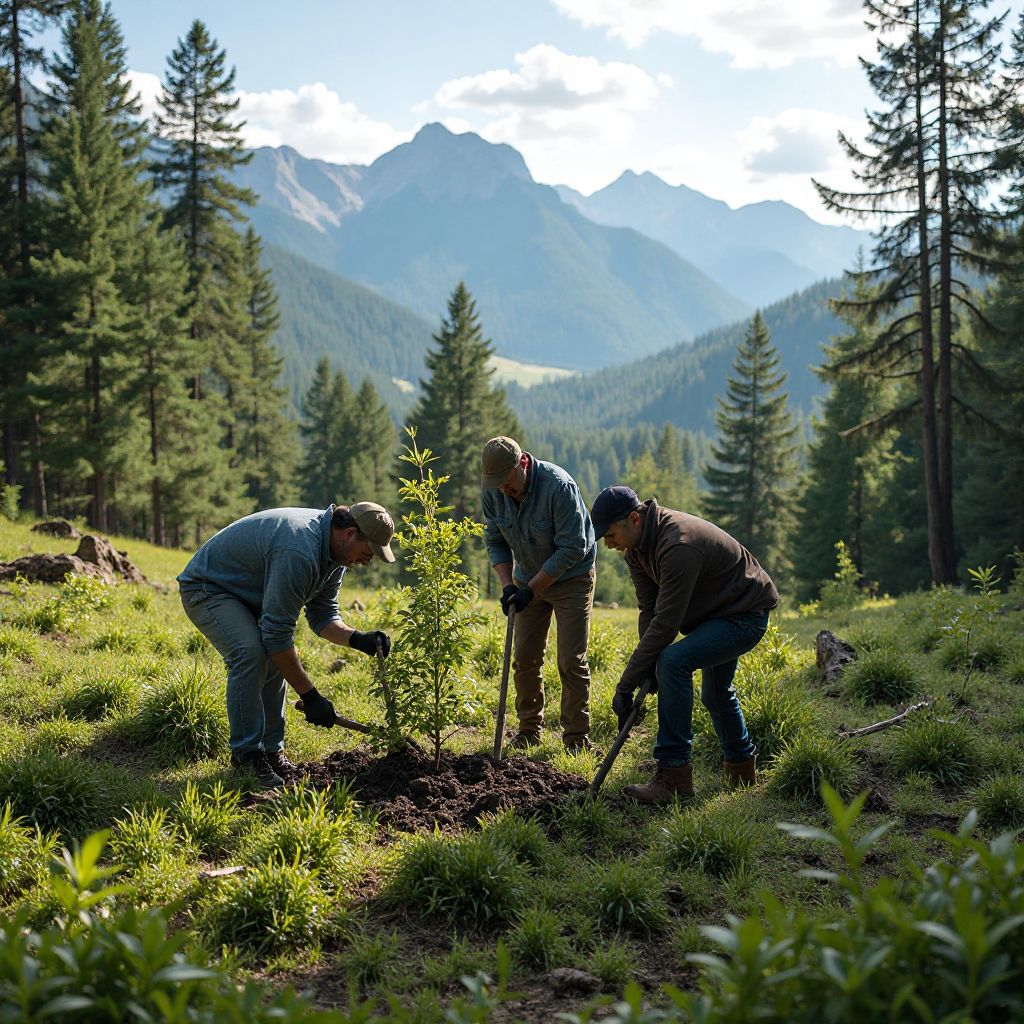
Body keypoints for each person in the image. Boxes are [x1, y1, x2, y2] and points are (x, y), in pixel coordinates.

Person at [177, 502, 396, 789]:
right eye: (367, 553)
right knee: (252, 653)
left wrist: (357, 638)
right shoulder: (299, 549)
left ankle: (271, 750)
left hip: (248, 597)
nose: (366, 562)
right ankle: (247, 755)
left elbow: (323, 616)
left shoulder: (335, 556)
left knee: (274, 657)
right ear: (349, 533)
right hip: (209, 589)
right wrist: (311, 696)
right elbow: (277, 636)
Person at [591, 486, 779, 805]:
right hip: (717, 613)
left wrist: (627, 684)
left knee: (673, 662)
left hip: (745, 616)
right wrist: (645, 669)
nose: (608, 545)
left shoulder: (678, 545)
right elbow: (649, 610)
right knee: (715, 693)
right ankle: (743, 772)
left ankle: (673, 775)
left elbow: (666, 623)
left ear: (634, 519)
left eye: (609, 535)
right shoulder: (635, 550)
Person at [480, 436, 597, 754]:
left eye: (507, 481)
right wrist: (508, 587)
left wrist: (531, 590)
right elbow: (495, 540)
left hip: (572, 578)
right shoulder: (493, 492)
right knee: (525, 660)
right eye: (496, 484)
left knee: (570, 661)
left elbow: (573, 547)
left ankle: (576, 738)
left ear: (523, 464)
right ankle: (529, 730)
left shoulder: (558, 486)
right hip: (525, 579)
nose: (503, 489)